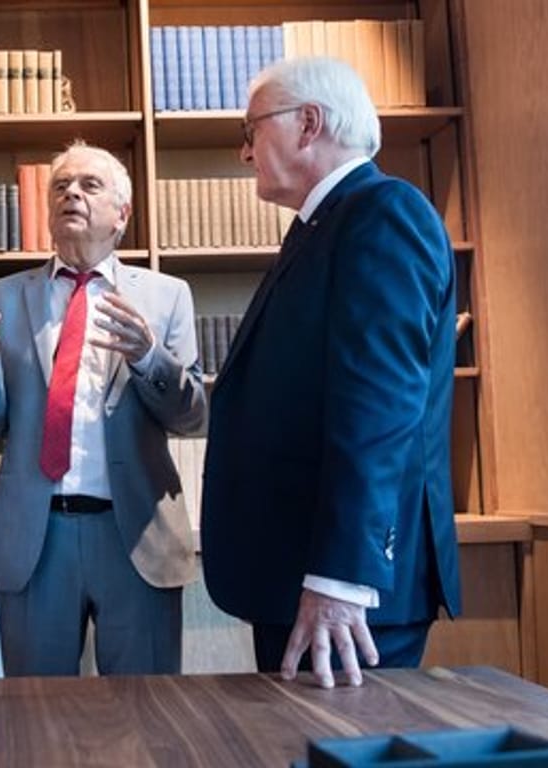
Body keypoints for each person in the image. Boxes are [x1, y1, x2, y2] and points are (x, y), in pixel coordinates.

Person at [200, 57, 461, 689]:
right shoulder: (321, 227)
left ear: (308, 123)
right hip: (299, 576)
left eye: (251, 129)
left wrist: (342, 580)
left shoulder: (382, 215)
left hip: (343, 593)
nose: (244, 153)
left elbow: (379, 410)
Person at [0, 142, 207, 676]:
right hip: (35, 539)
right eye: (60, 187)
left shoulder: (166, 296)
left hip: (134, 535)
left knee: (146, 714)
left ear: (123, 213)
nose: (72, 194)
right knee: (31, 715)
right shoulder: (0, 297)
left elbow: (191, 417)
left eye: (90, 185)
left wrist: (148, 357)